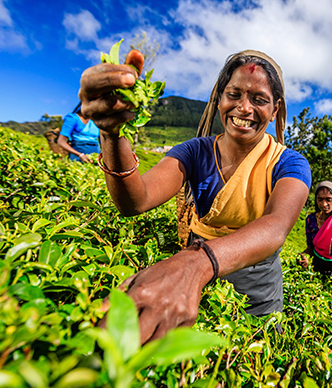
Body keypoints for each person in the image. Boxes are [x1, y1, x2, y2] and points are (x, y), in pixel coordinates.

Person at [79, 49, 311, 344]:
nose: (244, 108)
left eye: (259, 99)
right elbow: (136, 200)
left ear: (275, 109)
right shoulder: (195, 151)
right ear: (219, 99)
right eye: (234, 94)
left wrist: (195, 264)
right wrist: (112, 134)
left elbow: (276, 226)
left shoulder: (289, 163)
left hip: (256, 294)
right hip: (197, 286)